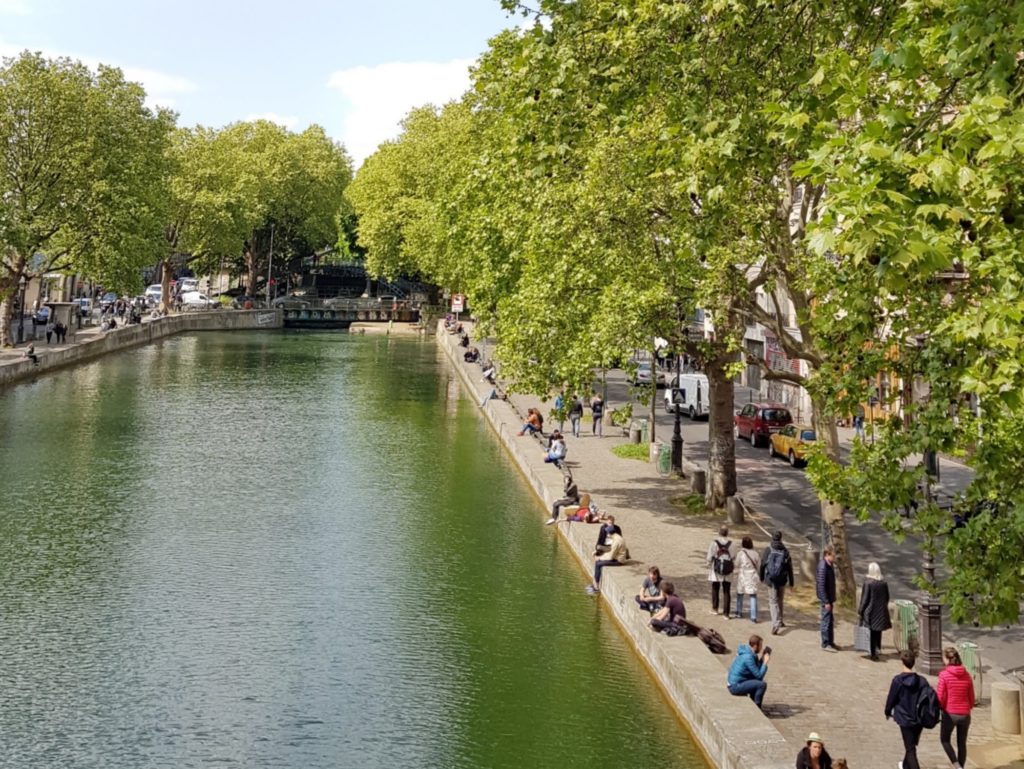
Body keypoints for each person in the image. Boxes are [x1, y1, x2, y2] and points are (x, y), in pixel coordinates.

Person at [884, 650, 929, 769]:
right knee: (911, 744)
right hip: (919, 718)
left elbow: (891, 698)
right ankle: (904, 765)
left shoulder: (898, 680)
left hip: (904, 718)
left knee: (910, 749)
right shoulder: (922, 681)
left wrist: (887, 711)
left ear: (902, 662)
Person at [937, 646, 975, 769]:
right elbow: (971, 698)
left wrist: (941, 708)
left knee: (945, 740)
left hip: (950, 713)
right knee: (962, 743)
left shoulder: (944, 675)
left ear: (947, 659)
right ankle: (961, 766)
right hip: (964, 714)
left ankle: (956, 764)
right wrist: (966, 708)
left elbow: (940, 696)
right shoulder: (967, 676)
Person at [760, 530, 794, 635]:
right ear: (781, 538)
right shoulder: (785, 551)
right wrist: (791, 582)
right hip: (782, 580)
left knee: (773, 601)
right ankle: (781, 620)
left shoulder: (768, 550)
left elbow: (762, 564)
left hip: (771, 580)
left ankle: (775, 623)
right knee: (780, 601)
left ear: (772, 538)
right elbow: (790, 568)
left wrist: (761, 577)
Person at [857, 562, 892, 660]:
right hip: (881, 610)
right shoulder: (883, 583)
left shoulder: (868, 583)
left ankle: (873, 653)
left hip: (871, 611)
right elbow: (887, 597)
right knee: (878, 631)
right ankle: (878, 648)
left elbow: (865, 599)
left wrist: (861, 610)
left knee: (871, 631)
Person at [726, 633, 770, 709]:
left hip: (736, 682)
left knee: (755, 682)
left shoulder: (749, 653)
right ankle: (757, 707)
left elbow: (755, 671)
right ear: (755, 646)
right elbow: (759, 676)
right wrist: (765, 663)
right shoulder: (748, 657)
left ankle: (754, 704)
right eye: (760, 646)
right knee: (762, 685)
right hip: (735, 686)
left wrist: (761, 659)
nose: (761, 648)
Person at [586, 530, 628, 594]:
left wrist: (600, 558)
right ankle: (595, 583)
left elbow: (610, 557)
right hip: (616, 557)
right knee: (598, 562)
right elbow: (611, 551)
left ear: (609, 534)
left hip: (618, 561)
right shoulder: (617, 538)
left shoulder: (616, 542)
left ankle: (596, 587)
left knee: (598, 564)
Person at [706, 525, 734, 616]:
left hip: (717, 568)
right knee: (726, 591)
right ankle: (726, 613)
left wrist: (709, 564)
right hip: (728, 569)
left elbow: (710, 556)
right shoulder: (732, 544)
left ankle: (715, 608)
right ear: (727, 533)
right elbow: (734, 556)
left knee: (715, 588)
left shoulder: (714, 543)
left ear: (719, 532)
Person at [733, 535, 761, 622]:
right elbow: (759, 566)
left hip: (743, 574)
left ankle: (738, 611)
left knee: (740, 593)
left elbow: (736, 564)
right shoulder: (755, 553)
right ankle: (753, 616)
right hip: (752, 575)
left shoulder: (740, 553)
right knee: (753, 595)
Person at [816, 546, 839, 650]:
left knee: (830, 621)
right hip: (826, 599)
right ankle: (825, 643)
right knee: (826, 621)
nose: (834, 557)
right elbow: (821, 585)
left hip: (830, 597)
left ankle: (830, 641)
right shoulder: (823, 566)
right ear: (827, 555)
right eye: (832, 555)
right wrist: (826, 601)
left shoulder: (829, 565)